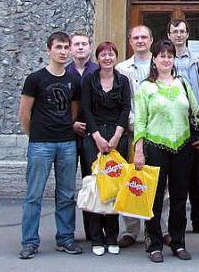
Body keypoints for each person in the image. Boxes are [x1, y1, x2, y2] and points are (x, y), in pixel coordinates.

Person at [133, 39, 199, 263]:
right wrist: (138, 150)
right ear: (154, 59)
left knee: (179, 197)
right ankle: (153, 243)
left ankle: (177, 242)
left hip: (182, 146)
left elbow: (196, 110)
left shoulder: (182, 83)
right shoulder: (146, 87)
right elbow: (140, 121)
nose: (166, 59)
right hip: (155, 146)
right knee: (154, 198)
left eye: (170, 56)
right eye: (162, 56)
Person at [18, 31, 83, 259]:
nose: (63, 52)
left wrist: (68, 127)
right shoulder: (35, 79)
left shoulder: (74, 80)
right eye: (59, 47)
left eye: (66, 47)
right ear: (49, 50)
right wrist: (34, 135)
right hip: (41, 144)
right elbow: (24, 113)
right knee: (34, 195)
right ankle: (29, 241)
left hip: (66, 143)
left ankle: (65, 237)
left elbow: (74, 111)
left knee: (66, 194)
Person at [80, 41, 131, 256]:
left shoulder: (123, 80)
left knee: (114, 186)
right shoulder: (89, 80)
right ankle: (96, 236)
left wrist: (117, 135)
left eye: (111, 54)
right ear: (98, 58)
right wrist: (97, 136)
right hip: (94, 136)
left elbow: (126, 108)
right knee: (95, 186)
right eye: (103, 55)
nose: (107, 58)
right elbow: (85, 108)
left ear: (115, 57)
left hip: (117, 136)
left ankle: (112, 235)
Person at [166, 19, 199, 236]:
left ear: (187, 34)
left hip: (193, 122)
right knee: (169, 176)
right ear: (168, 35)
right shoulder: (163, 59)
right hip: (168, 124)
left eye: (182, 31)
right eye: (174, 31)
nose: (178, 35)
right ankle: (169, 224)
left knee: (194, 176)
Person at [115, 25, 153, 248]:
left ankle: (157, 228)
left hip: (158, 133)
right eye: (136, 38)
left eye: (144, 37)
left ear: (151, 40)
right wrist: (134, 124)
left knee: (157, 183)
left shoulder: (160, 64)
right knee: (131, 181)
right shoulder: (122, 68)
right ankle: (130, 230)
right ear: (130, 41)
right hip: (131, 132)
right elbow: (121, 103)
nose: (140, 41)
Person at [67, 31, 99, 241]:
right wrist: (71, 124)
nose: (80, 47)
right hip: (68, 136)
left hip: (92, 135)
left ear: (90, 47)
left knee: (93, 182)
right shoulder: (63, 71)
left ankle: (93, 231)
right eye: (76, 44)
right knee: (68, 185)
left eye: (84, 44)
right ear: (70, 48)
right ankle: (67, 233)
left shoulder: (98, 71)